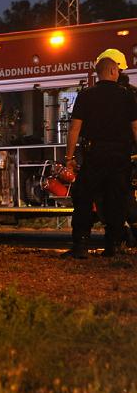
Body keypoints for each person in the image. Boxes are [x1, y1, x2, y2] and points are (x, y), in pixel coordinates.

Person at [65, 48, 137, 258]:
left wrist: (69, 158)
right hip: (120, 156)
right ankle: (113, 245)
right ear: (114, 71)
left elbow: (74, 129)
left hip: (94, 154)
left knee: (84, 199)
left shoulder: (85, 96)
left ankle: (80, 245)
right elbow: (135, 128)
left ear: (98, 73)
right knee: (116, 199)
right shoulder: (127, 97)